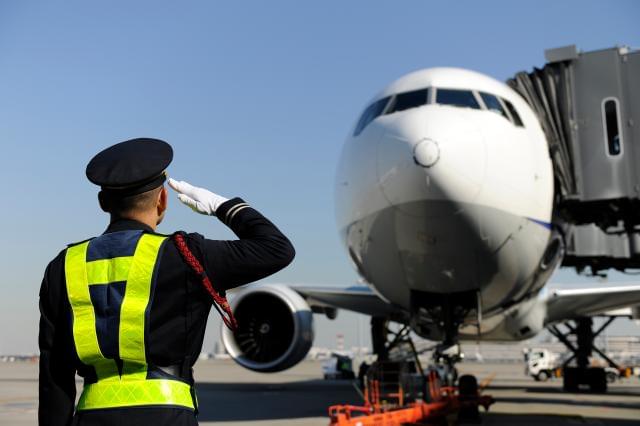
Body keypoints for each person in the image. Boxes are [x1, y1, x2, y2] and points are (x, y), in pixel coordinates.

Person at [38, 138, 295, 426]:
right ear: (162, 199)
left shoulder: (64, 265)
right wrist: (224, 206)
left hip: (90, 419)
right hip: (168, 418)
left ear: (102, 202)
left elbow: (54, 375)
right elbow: (277, 249)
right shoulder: (187, 255)